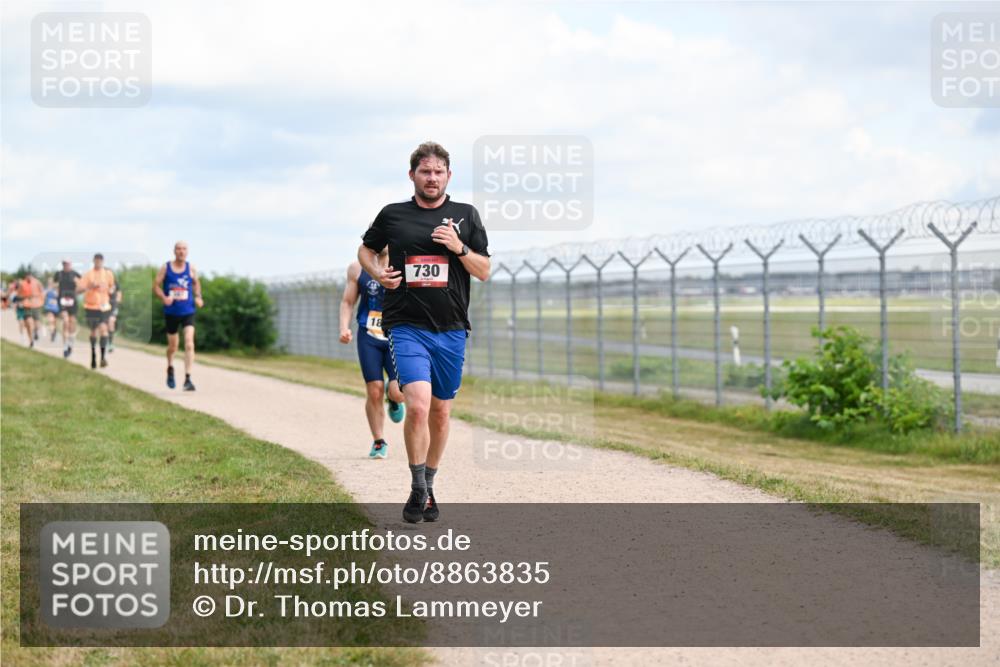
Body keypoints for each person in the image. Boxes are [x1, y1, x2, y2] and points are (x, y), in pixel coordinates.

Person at [358, 141, 491, 523]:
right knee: (417, 405)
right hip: (405, 326)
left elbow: (483, 271)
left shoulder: (466, 216)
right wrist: (377, 273)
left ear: (449, 176)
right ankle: (417, 488)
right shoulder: (393, 215)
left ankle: (429, 484)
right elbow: (365, 251)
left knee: (441, 412)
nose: (431, 178)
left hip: (450, 329)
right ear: (412, 175)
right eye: (424, 171)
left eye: (438, 172)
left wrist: (459, 247)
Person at [339, 249, 406, 459]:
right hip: (368, 335)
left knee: (398, 391)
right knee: (374, 389)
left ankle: (393, 398)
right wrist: (344, 327)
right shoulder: (357, 269)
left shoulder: (403, 265)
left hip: (396, 337)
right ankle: (379, 441)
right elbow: (348, 302)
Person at [154, 241, 203, 391]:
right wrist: (164, 297)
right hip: (171, 312)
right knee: (173, 346)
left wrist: (199, 296)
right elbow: (155, 286)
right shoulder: (166, 267)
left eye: (184, 249)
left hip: (188, 310)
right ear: (174, 251)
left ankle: (188, 379)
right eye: (179, 249)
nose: (181, 251)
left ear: (187, 252)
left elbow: (196, 283)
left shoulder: (191, 268)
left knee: (189, 343)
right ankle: (170, 367)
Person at [77, 253, 116, 369]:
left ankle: (103, 357)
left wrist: (111, 290)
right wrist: (89, 286)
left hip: (104, 307)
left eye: (100, 260)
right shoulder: (88, 275)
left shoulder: (108, 274)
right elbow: (78, 290)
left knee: (104, 330)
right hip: (91, 307)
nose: (98, 262)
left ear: (103, 261)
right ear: (93, 261)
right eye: (96, 260)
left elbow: (112, 287)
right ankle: (93, 355)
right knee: (94, 332)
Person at [53, 259, 81, 358]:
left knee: (72, 323)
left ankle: (71, 342)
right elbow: (54, 285)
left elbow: (82, 286)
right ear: (62, 264)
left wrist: (76, 291)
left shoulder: (75, 274)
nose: (66, 265)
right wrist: (56, 292)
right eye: (64, 264)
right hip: (62, 300)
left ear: (71, 264)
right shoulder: (58, 274)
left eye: (68, 263)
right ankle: (65, 347)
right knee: (65, 321)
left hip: (73, 301)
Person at [16, 273, 45, 348]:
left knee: (37, 323)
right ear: (26, 277)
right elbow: (19, 295)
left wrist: (42, 301)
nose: (29, 278)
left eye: (30, 276)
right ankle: (31, 341)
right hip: (27, 305)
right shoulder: (22, 284)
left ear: (32, 276)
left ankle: (36, 332)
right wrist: (24, 298)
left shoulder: (37, 282)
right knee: (28, 323)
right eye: (27, 276)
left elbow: (42, 292)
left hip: (36, 305)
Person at [107, 281, 123, 352]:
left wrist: (117, 303)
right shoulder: (102, 281)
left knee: (111, 321)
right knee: (104, 324)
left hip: (113, 306)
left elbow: (119, 294)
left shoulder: (116, 283)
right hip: (103, 304)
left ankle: (110, 343)